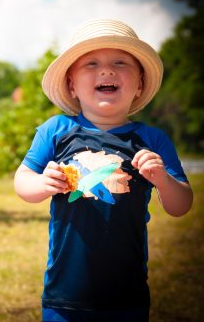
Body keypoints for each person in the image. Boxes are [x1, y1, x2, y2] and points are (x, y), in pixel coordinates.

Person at [14, 19, 193, 322]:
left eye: (121, 63)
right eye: (92, 63)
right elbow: (23, 182)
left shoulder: (152, 140)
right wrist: (44, 183)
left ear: (139, 84)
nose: (107, 70)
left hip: (127, 294)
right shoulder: (57, 130)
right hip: (65, 294)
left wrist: (162, 179)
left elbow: (182, 204)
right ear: (71, 84)